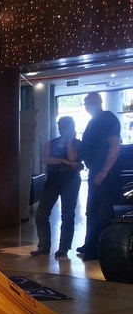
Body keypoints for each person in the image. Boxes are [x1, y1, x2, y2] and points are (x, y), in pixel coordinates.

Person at [78, 92, 122, 261]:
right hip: (96, 170)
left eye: (88, 103)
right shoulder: (94, 121)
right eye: (85, 104)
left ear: (97, 102)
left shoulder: (108, 119)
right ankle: (91, 245)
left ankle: (106, 249)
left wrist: (104, 170)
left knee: (103, 212)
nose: (86, 107)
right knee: (92, 210)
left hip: (106, 173)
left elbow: (114, 146)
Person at [31, 116, 81, 258]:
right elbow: (45, 159)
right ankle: (44, 245)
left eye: (65, 126)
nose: (61, 129)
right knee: (42, 214)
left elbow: (72, 158)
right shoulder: (51, 143)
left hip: (70, 180)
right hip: (53, 179)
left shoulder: (77, 143)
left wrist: (69, 140)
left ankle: (63, 248)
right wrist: (63, 161)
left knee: (67, 214)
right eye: (60, 126)